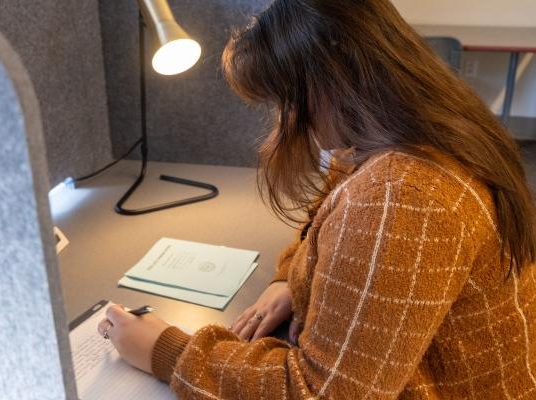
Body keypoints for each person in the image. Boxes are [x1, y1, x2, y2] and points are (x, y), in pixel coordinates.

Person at [97, 0, 536, 398]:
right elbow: (328, 210)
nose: (285, 121)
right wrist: (289, 278)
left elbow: (321, 392)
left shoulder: (402, 197)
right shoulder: (408, 136)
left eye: (284, 102)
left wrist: (164, 350)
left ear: (329, 87)